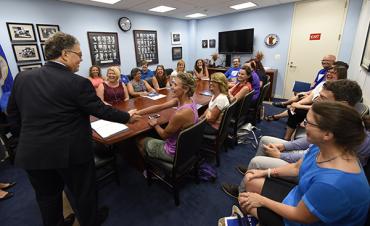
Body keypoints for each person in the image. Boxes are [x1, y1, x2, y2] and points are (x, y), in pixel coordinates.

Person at [7, 32, 140, 226]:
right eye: (79, 54)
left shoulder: (22, 78)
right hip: (71, 153)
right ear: (65, 54)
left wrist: (26, 138)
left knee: (47, 198)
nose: (82, 59)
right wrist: (127, 117)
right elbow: (100, 109)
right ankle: (91, 221)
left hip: (32, 152)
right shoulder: (77, 82)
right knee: (83, 192)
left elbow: (13, 114)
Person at [221, 80, 367, 199]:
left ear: (343, 104)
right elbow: (310, 145)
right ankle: (256, 172)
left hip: (308, 174)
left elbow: (308, 160)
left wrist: (281, 155)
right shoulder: (334, 120)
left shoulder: (348, 133)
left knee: (257, 162)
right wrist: (285, 147)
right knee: (266, 140)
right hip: (305, 163)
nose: (316, 100)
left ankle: (243, 191)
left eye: (322, 98)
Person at [238, 102, 370, 226]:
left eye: (308, 123)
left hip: (304, 218)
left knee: (246, 202)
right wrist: (264, 172)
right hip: (301, 197)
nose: (302, 125)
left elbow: (299, 216)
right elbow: (297, 167)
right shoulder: (323, 147)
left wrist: (262, 201)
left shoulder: (333, 183)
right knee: (251, 180)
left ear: (327, 134)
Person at [136, 72, 198, 163]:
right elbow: (160, 107)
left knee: (139, 140)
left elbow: (164, 135)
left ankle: (151, 169)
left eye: (175, 85)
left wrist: (155, 124)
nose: (171, 87)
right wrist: (138, 112)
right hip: (187, 147)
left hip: (173, 153)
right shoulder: (189, 100)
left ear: (185, 89)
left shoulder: (180, 114)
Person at [272, 55, 336, 108]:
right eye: (323, 60)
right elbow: (315, 82)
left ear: (333, 62)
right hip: (314, 91)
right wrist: (309, 91)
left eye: (327, 60)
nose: (324, 62)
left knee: (299, 96)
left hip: (318, 94)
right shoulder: (321, 71)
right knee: (300, 94)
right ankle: (286, 104)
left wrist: (310, 94)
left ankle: (285, 104)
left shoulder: (333, 75)